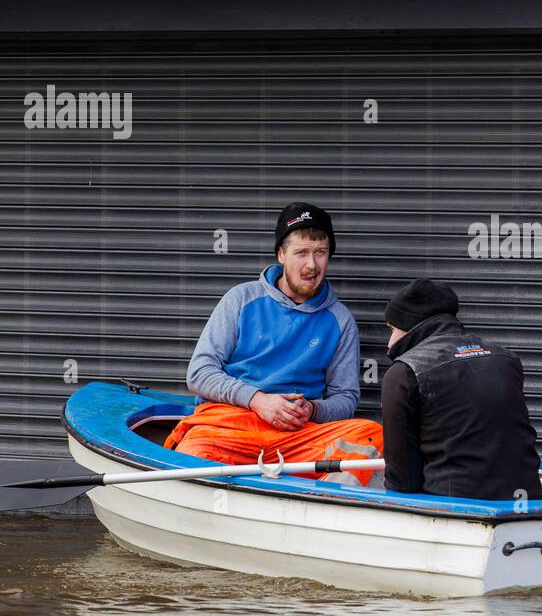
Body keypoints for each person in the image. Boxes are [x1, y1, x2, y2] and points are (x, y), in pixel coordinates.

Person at [163, 202, 383, 487]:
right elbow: (200, 373)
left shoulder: (340, 321)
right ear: (281, 254)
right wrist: (257, 400)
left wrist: (313, 410)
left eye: (320, 253)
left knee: (371, 436)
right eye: (301, 253)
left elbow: (346, 399)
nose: (311, 265)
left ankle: (324, 510)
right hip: (229, 425)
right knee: (193, 460)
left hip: (298, 435)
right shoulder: (241, 299)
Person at [380, 278, 542, 501]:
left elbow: (402, 480)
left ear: (410, 327)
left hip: (456, 516)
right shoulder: (506, 359)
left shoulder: (403, 374)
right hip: (529, 507)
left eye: (392, 330)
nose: (389, 343)